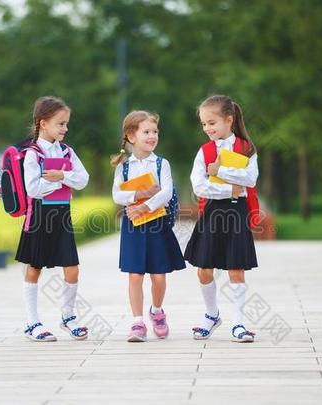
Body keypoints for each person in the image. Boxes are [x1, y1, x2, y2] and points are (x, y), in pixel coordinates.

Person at [184, 95, 259, 343]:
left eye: (212, 122)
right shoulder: (203, 151)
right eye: (204, 124)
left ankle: (239, 322)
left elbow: (250, 179)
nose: (207, 129)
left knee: (236, 269)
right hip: (213, 212)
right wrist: (230, 189)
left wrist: (220, 171)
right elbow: (199, 187)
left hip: (237, 213)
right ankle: (212, 314)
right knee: (204, 269)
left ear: (229, 119)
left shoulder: (246, 147)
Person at [16, 96, 90, 342]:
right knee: (35, 267)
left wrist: (61, 176)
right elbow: (32, 189)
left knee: (72, 268)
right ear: (43, 123)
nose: (65, 129)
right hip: (38, 217)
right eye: (60, 123)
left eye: (66, 124)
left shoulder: (67, 151)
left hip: (62, 216)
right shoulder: (31, 154)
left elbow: (83, 179)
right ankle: (32, 322)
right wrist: (62, 178)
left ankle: (68, 316)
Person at [111, 110, 186, 342]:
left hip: (157, 225)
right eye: (146, 132)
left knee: (159, 276)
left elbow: (166, 192)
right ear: (131, 136)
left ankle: (156, 311)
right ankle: (137, 323)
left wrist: (145, 206)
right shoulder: (123, 167)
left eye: (155, 132)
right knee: (134, 275)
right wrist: (138, 195)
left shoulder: (162, 163)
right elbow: (116, 195)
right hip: (133, 226)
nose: (152, 136)